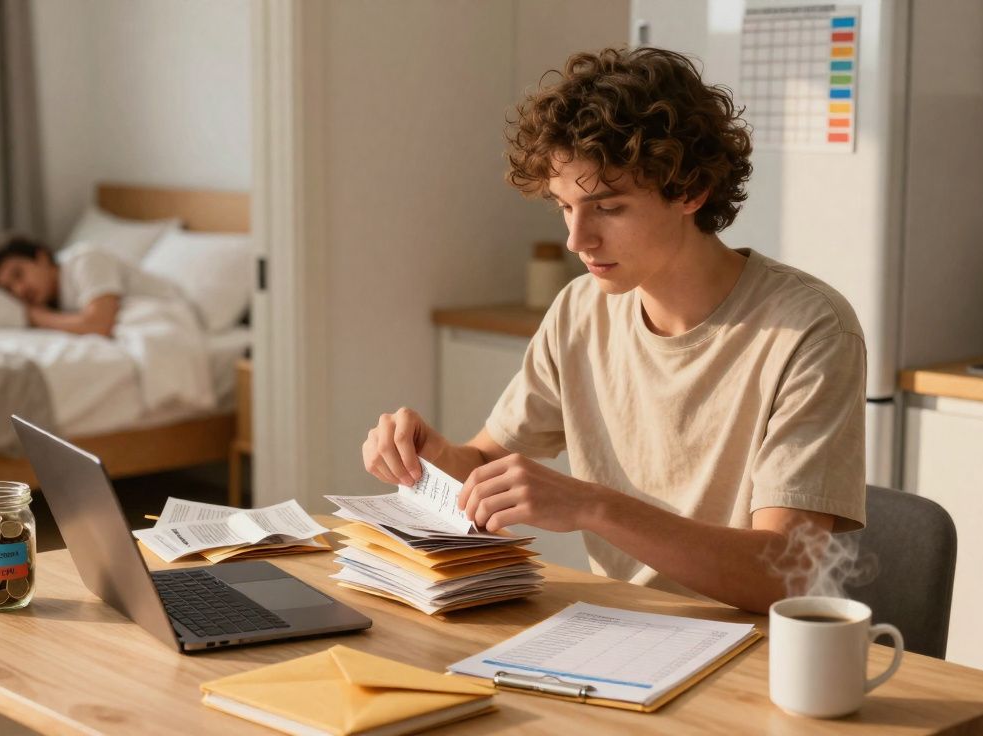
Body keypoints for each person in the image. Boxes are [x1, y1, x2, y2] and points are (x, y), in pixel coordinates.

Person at [360, 47, 867, 614]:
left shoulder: (809, 329)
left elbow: (787, 574)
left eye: (608, 208)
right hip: (614, 637)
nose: (578, 240)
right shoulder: (580, 311)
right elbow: (481, 467)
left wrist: (593, 507)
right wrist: (431, 457)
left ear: (690, 192)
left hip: (749, 655)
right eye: (564, 207)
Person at [0, 234, 180, 337]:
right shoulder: (56, 299)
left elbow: (99, 324)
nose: (19, 290)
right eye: (9, 289)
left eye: (18, 274)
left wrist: (38, 317)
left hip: (172, 318)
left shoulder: (86, 259)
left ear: (42, 257)